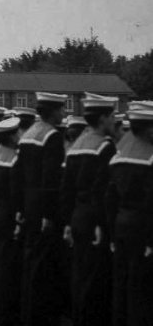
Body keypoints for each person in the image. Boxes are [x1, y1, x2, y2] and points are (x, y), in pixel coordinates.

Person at [61, 93, 117, 326]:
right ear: (103, 118)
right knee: (96, 277)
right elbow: (104, 191)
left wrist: (66, 222)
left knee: (79, 272)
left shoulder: (75, 147)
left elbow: (67, 190)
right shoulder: (104, 148)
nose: (114, 121)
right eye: (112, 117)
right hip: (95, 219)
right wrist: (101, 224)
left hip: (77, 216)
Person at [14, 92, 67, 326]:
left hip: (28, 201)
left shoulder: (28, 135)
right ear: (53, 111)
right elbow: (51, 178)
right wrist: (49, 213)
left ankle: (27, 312)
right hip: (44, 205)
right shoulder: (52, 136)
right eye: (62, 110)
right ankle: (41, 315)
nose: (64, 114)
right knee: (44, 263)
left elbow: (17, 175)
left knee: (30, 258)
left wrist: (20, 207)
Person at [106, 101, 153, 326]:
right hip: (143, 228)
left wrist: (112, 232)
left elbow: (110, 198)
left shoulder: (119, 156)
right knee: (141, 288)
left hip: (121, 224)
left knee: (121, 284)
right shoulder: (149, 157)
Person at [0, 115, 22, 326]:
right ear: (12, 137)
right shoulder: (14, 160)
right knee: (8, 266)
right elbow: (16, 192)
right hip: (9, 216)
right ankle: (6, 312)